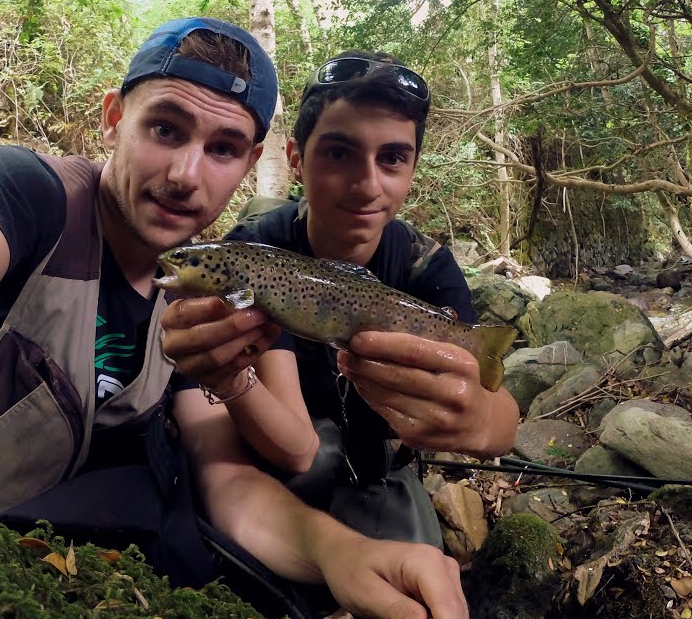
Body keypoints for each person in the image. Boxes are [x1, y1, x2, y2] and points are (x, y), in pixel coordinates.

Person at [0, 22, 469, 619]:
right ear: (113, 118)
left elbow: (227, 478)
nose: (186, 174)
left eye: (222, 148)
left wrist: (342, 552)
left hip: (43, 560)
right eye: (164, 129)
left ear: (249, 164)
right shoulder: (30, 197)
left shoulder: (207, 288)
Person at [159, 51, 521, 549]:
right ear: (295, 159)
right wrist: (227, 378)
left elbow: (503, 425)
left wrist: (474, 417)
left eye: (392, 158)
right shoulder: (258, 257)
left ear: (413, 165)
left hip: (378, 470)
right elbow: (296, 451)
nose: (367, 184)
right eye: (338, 153)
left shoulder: (425, 265)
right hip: (264, 467)